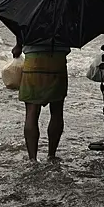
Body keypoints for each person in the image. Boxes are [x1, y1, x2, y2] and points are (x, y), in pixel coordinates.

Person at [12, 31, 70, 162]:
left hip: (33, 61)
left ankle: (32, 159)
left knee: (32, 113)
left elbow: (20, 25)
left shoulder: (29, 11)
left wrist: (18, 45)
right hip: (58, 61)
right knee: (57, 111)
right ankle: (52, 155)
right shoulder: (65, 12)